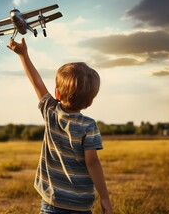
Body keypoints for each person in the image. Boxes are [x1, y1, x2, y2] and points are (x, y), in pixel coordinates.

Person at [7, 38, 112, 214]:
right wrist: (105, 197)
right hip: (81, 204)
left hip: (52, 201)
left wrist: (23, 54)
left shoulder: (50, 111)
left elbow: (37, 82)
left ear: (57, 93)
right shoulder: (89, 126)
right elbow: (92, 162)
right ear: (90, 102)